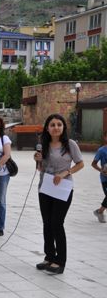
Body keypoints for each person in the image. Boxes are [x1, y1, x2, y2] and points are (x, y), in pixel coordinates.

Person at [34, 114, 84, 274]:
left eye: (59, 125)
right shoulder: (44, 144)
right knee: (47, 223)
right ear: (47, 128)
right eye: (52, 125)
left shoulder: (70, 144)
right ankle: (49, 256)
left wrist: (65, 173)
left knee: (57, 223)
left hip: (63, 188)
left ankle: (60, 261)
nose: (56, 127)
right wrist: (38, 160)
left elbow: (80, 163)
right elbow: (40, 169)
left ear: (63, 127)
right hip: (45, 188)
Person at [92, 131, 107, 223]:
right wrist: (101, 170)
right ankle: (100, 211)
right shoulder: (101, 150)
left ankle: (99, 211)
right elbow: (93, 164)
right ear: (105, 137)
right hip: (105, 179)